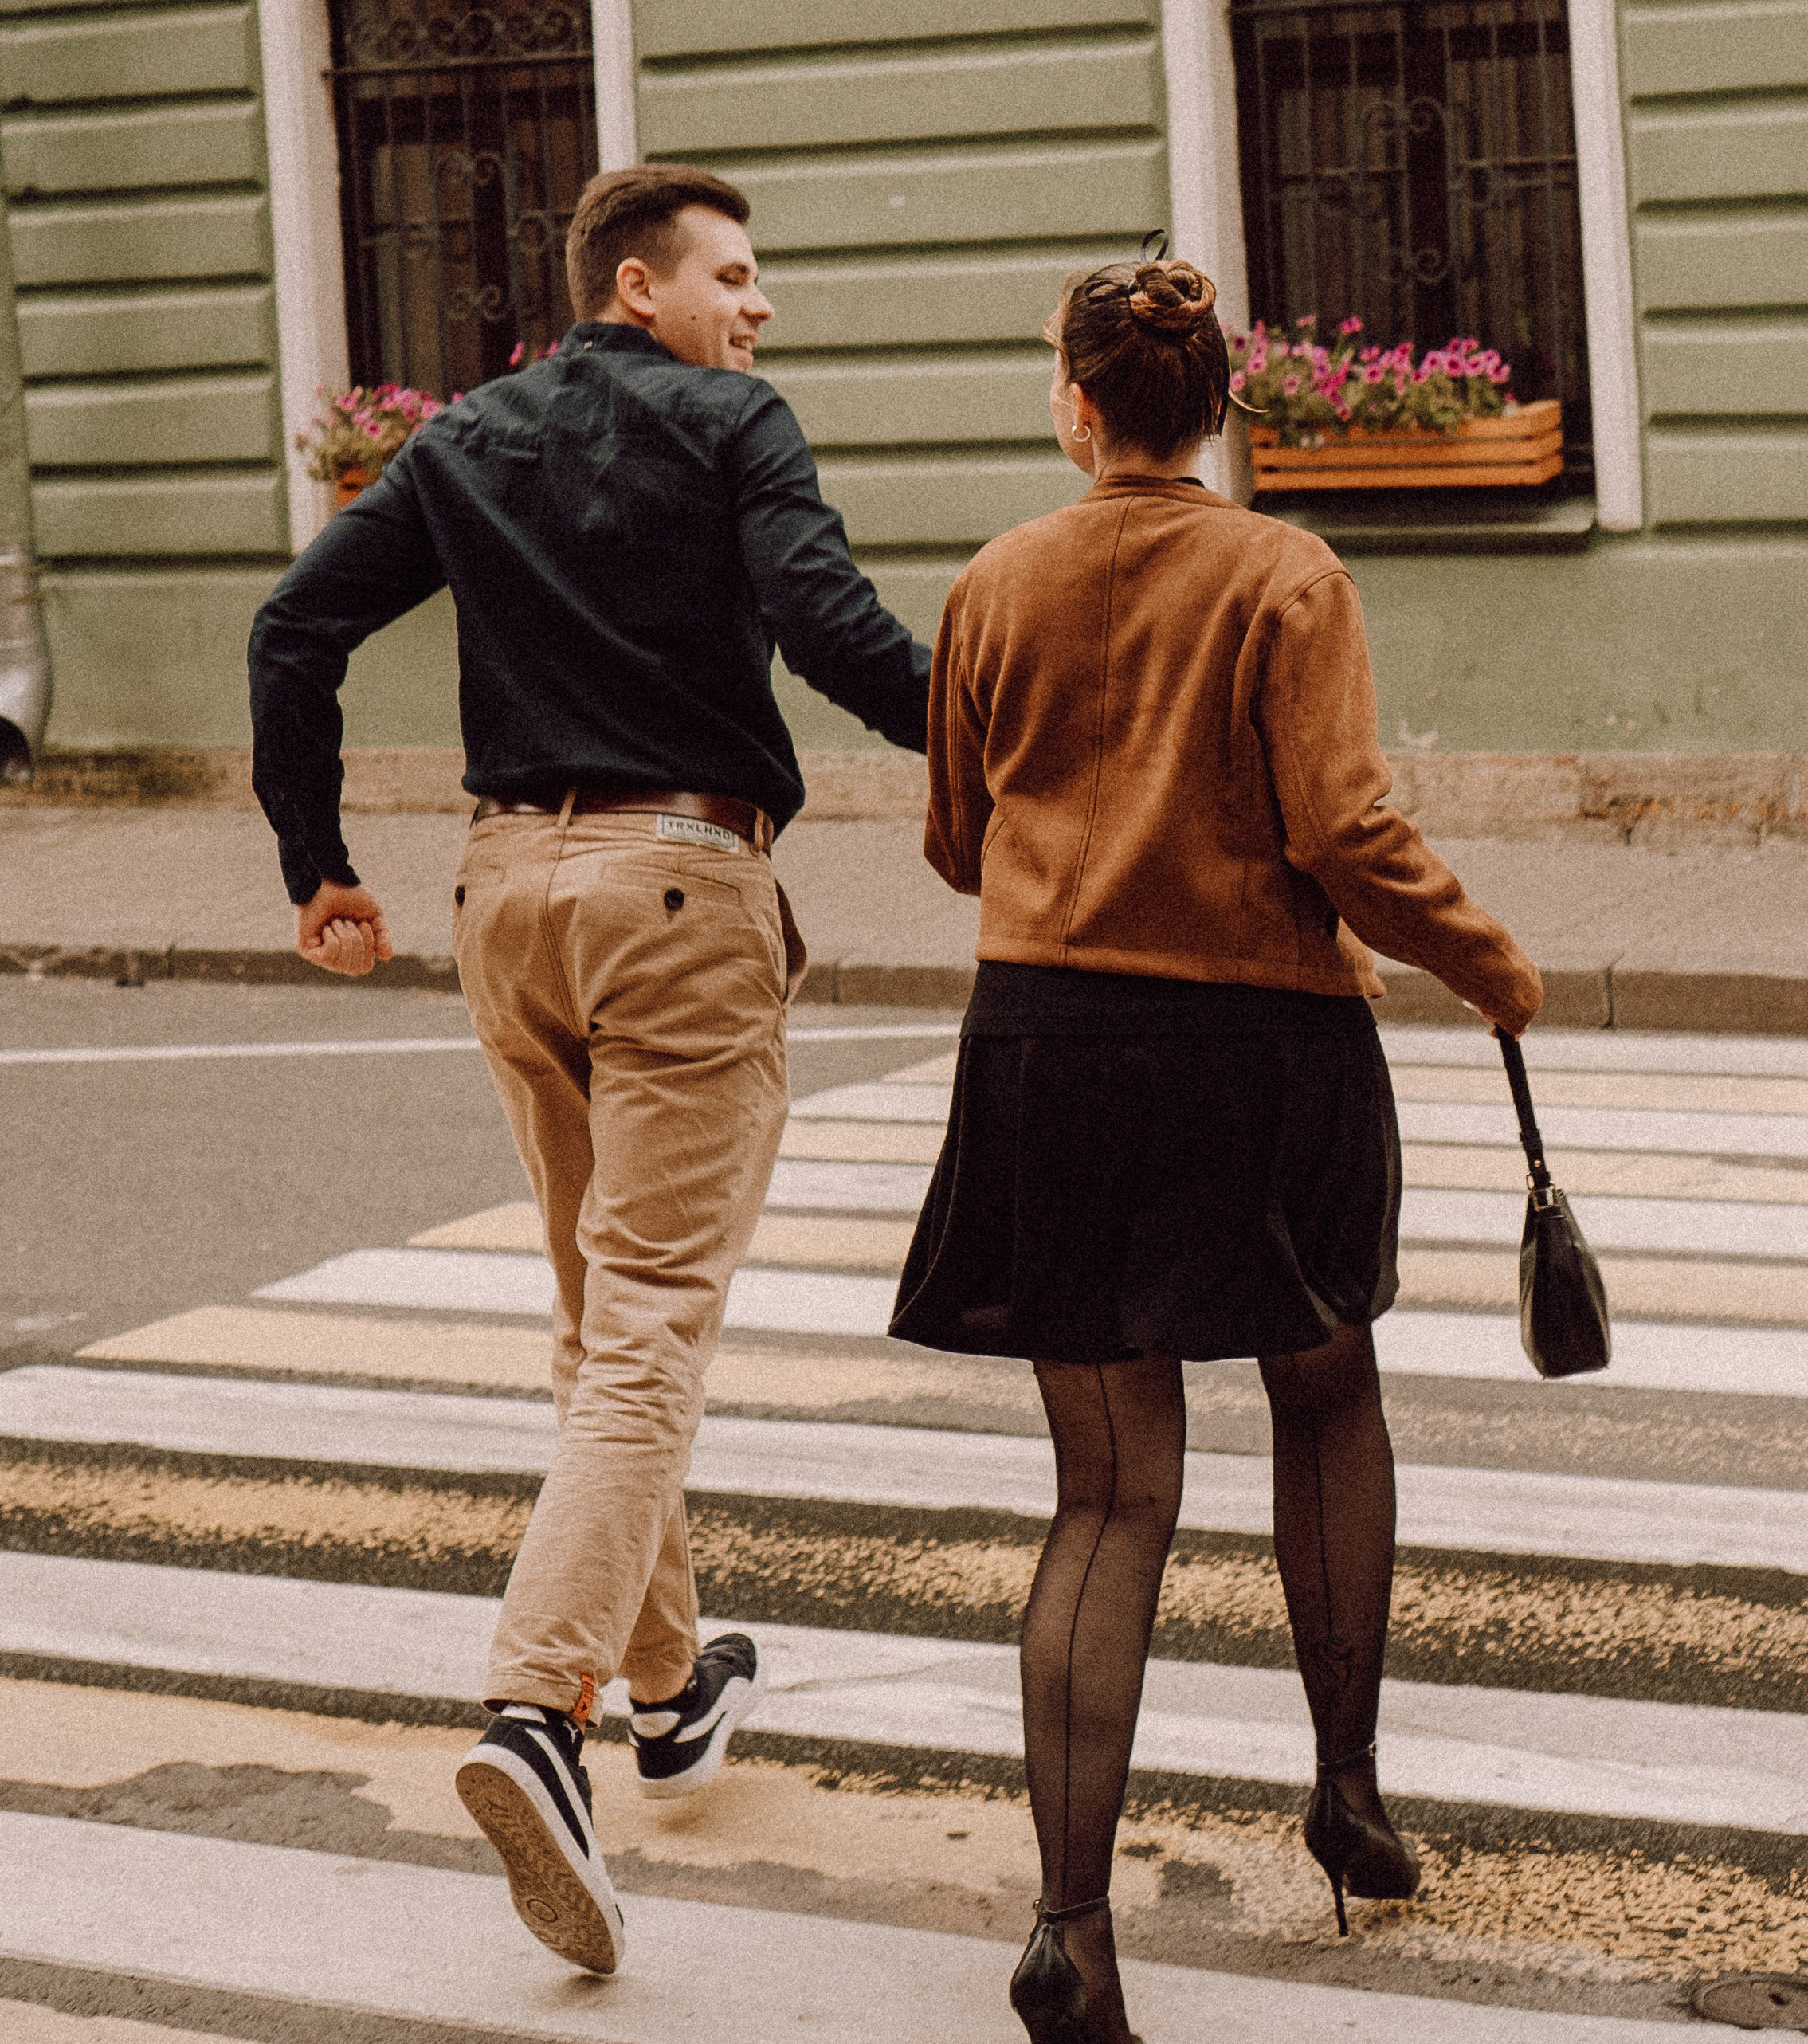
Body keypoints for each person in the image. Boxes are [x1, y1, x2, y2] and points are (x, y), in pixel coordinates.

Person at [248, 163, 930, 1978]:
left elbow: (293, 629)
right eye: (736, 275)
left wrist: (317, 862)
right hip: (679, 890)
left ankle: (670, 1687)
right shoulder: (733, 422)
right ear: (640, 287)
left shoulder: (466, 438)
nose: (759, 307)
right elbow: (829, 626)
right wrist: (1008, 738)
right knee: (645, 1338)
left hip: (506, 900)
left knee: (596, 1324)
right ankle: (536, 1714)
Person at [890, 255, 1541, 2044]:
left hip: (1047, 1049)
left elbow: (953, 839)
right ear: (1220, 408)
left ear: (1075, 405)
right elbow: (1345, 833)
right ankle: (1346, 1792)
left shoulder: (992, 580)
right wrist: (1487, 964)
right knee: (1325, 1393)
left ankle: (1070, 1931)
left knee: (1108, 1497)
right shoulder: (1284, 573)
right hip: (1259, 1048)